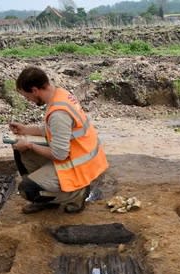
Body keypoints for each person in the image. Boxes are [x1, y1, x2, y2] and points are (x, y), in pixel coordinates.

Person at [8, 66, 108, 214]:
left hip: (78, 166)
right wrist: (26, 130)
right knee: (21, 152)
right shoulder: (59, 95)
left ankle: (76, 194)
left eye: (27, 96)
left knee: (27, 189)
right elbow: (53, 131)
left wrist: (30, 144)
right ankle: (49, 193)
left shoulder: (58, 114)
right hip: (78, 157)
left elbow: (60, 154)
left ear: (35, 90)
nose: (28, 100)